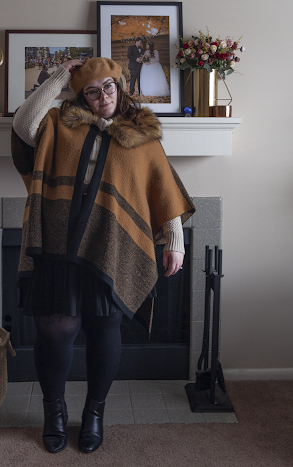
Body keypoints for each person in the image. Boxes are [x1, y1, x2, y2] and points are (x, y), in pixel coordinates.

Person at [11, 57, 195, 454]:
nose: (102, 97)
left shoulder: (142, 135)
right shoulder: (61, 123)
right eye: (91, 91)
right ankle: (54, 411)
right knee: (55, 330)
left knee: (104, 329)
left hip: (110, 245)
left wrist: (174, 240)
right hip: (58, 244)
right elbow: (23, 125)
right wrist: (61, 76)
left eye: (108, 87)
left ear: (120, 85)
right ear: (81, 95)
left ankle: (94, 413)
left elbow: (162, 187)